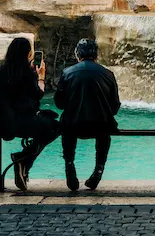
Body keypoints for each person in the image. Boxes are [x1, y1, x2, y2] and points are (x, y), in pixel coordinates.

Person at [54, 39, 120, 192]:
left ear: (77, 54)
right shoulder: (108, 74)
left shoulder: (67, 73)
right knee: (105, 133)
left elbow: (59, 103)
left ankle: (69, 164)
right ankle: (98, 169)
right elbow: (115, 106)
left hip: (73, 125)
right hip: (100, 125)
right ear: (96, 54)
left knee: (67, 129)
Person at [0, 37, 59, 191]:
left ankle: (23, 162)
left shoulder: (2, 71)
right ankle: (24, 159)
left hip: (4, 124)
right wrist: (40, 77)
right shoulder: (28, 74)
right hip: (24, 123)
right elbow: (38, 95)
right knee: (55, 127)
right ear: (28, 54)